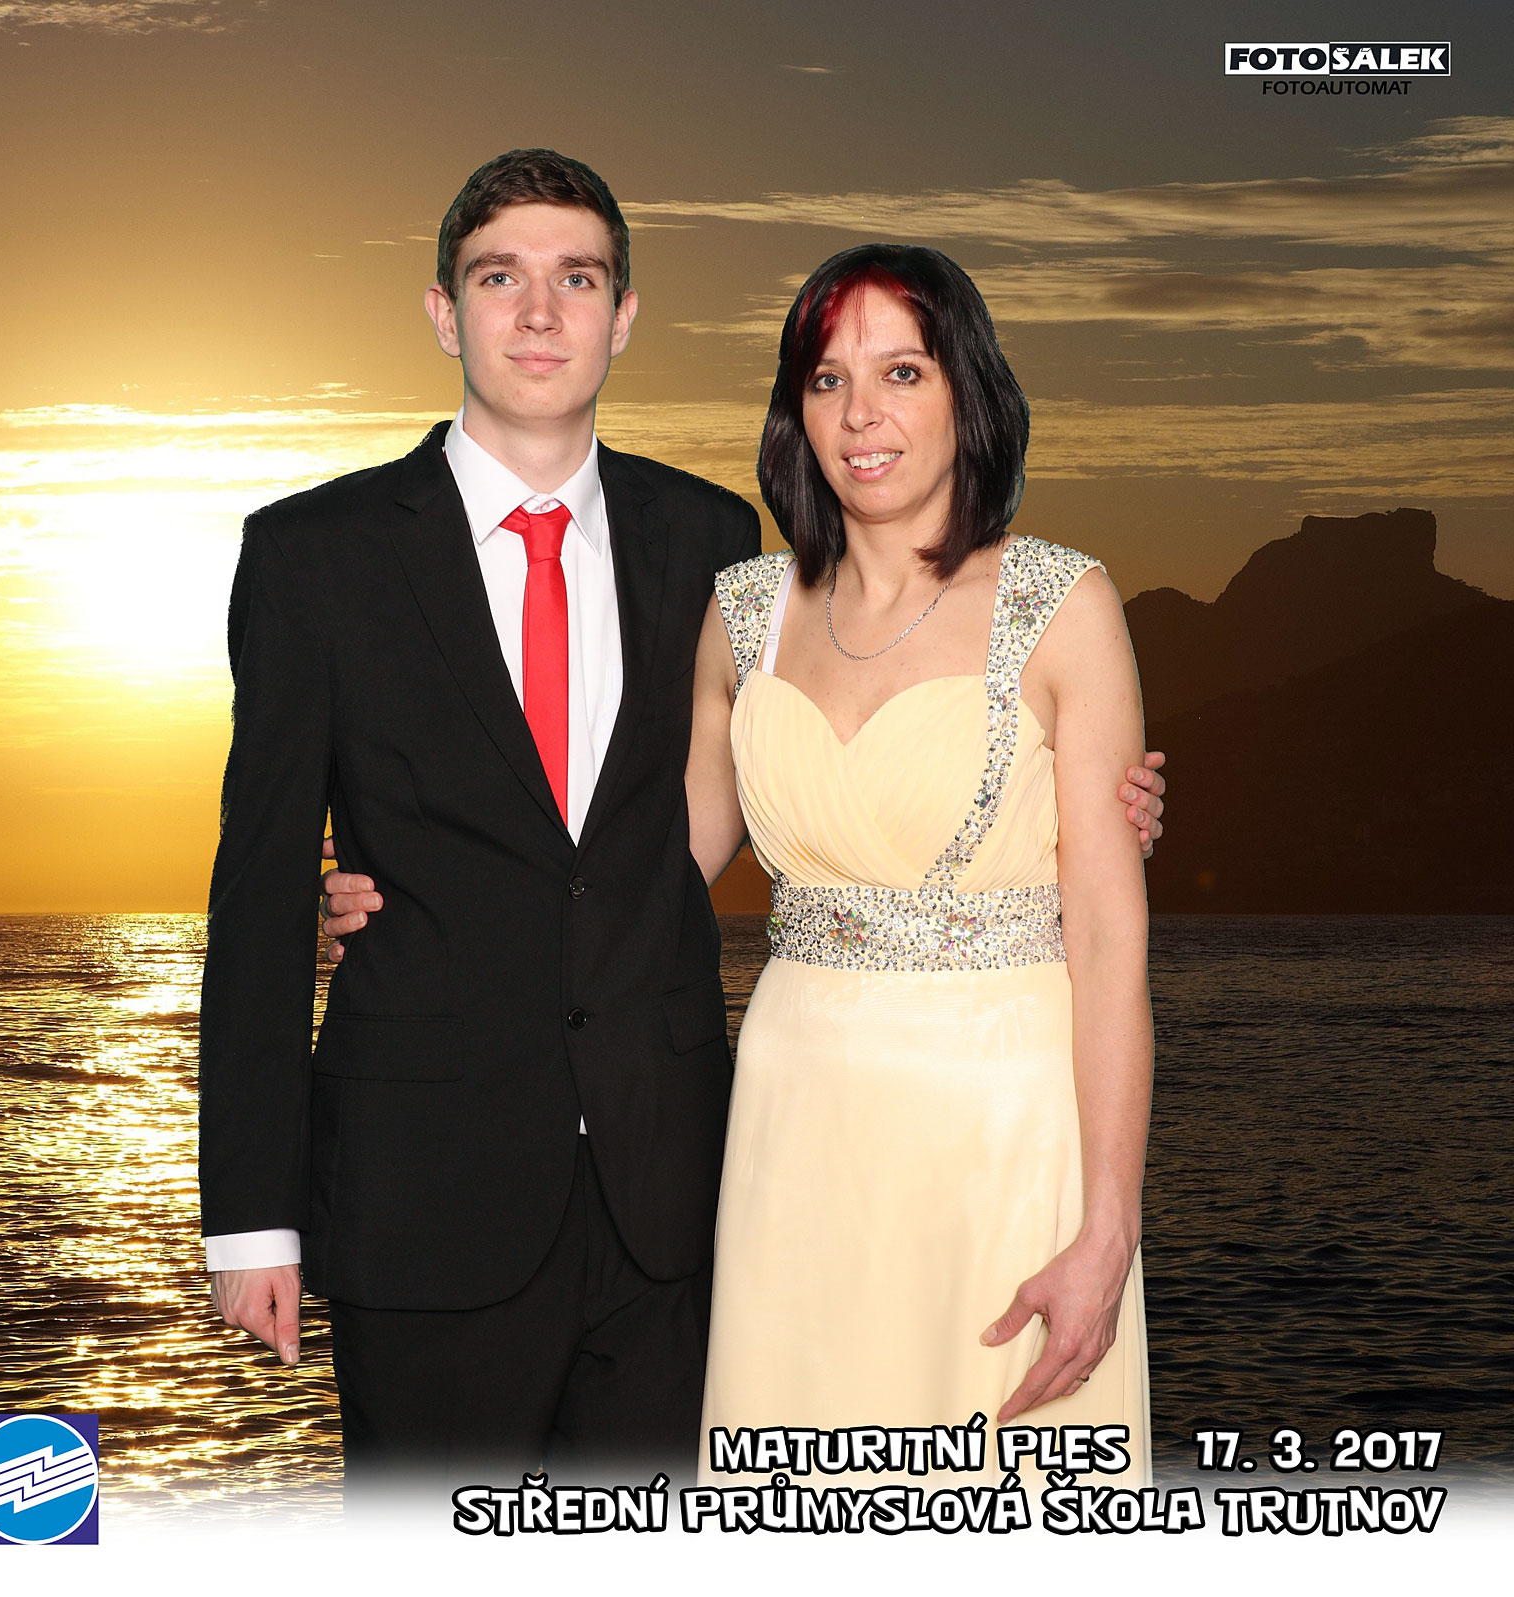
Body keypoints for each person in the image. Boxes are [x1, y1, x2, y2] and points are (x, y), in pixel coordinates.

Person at [221, 152, 1167, 1485]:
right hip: (624, 1161)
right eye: (499, 279)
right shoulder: (337, 558)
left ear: (623, 316)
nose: (539, 313)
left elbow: (1101, 938)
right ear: (443, 311)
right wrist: (382, 899)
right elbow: (609, 854)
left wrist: (1088, 806)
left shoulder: (712, 542)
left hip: (784, 1172)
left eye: (576, 279)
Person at [683, 243, 1153, 1483]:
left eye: (902, 371)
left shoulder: (1063, 603)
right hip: (792, 1127)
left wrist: (1108, 1229)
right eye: (827, 379)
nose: (862, 414)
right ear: (794, 410)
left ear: (966, 392)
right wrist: (402, 877)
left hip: (1001, 1125)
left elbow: (1110, 943)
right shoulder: (742, 614)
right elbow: (641, 870)